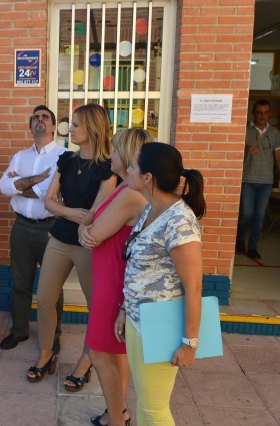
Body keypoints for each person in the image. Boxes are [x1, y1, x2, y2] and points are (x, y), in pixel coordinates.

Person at [116, 142, 205, 426]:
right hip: (137, 319)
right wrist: (125, 309)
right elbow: (139, 269)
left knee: (155, 410)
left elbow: (193, 286)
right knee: (144, 401)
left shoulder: (179, 221)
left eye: (133, 165)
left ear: (148, 177)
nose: (127, 169)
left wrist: (189, 344)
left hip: (160, 326)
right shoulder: (152, 209)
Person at [29, 104, 116, 385]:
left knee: (96, 306)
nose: (71, 129)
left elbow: (98, 210)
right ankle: (46, 352)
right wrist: (73, 214)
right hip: (60, 236)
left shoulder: (108, 167)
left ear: (92, 128)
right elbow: (48, 202)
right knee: (44, 298)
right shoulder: (66, 160)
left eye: (76, 124)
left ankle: (87, 359)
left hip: (91, 243)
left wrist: (79, 216)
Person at [79, 129, 154, 426]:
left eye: (114, 150)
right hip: (110, 277)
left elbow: (92, 233)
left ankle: (116, 420)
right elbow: (89, 220)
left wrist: (86, 226)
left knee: (99, 353)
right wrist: (86, 224)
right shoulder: (124, 187)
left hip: (114, 284)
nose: (109, 155)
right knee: (115, 352)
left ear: (127, 155)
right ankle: (117, 412)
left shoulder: (130, 194)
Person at [0, 105, 67, 351]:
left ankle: (53, 334)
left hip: (50, 229)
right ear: (30, 126)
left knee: (51, 286)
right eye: (35, 118)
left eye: (44, 117)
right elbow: (3, 187)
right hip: (21, 228)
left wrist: (21, 185)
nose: (39, 121)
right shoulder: (20, 156)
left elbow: (47, 193)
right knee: (20, 283)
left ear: (53, 126)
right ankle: (19, 331)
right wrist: (36, 181)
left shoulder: (63, 156)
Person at [236, 99, 280, 259]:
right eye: (259, 112)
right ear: (253, 113)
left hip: (266, 181)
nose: (262, 116)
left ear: (268, 113)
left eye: (265, 112)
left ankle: (253, 246)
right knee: (247, 213)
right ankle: (240, 239)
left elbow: (278, 157)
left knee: (260, 215)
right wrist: (246, 147)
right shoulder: (245, 130)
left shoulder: (274, 133)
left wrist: (279, 177)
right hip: (247, 179)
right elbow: (234, 150)